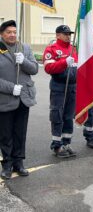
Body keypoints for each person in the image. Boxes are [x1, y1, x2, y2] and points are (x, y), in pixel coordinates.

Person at [0, 20, 38, 180]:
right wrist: (10, 87)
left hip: (23, 98)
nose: (12, 35)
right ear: (2, 34)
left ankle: (19, 163)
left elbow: (35, 69)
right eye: (9, 32)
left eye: (14, 32)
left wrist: (24, 61)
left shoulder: (25, 48)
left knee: (20, 133)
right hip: (5, 98)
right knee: (6, 134)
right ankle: (7, 164)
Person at [43, 25, 78, 158]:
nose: (68, 36)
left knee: (69, 116)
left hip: (72, 87)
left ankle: (66, 143)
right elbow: (48, 68)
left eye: (69, 34)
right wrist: (64, 62)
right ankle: (57, 145)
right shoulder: (52, 49)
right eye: (65, 34)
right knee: (57, 116)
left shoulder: (73, 48)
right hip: (59, 86)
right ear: (58, 35)